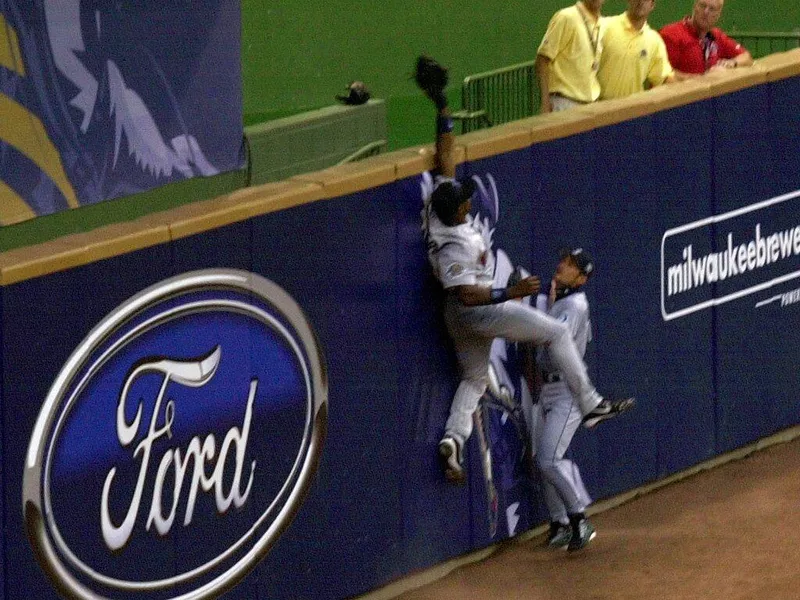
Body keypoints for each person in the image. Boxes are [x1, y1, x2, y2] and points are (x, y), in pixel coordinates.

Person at [413, 55, 635, 489]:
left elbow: (445, 159)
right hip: (475, 310)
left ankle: (453, 440)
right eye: (465, 202)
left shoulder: (440, 209)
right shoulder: (450, 242)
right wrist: (509, 293)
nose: (469, 203)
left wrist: (441, 109)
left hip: (459, 319)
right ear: (456, 210)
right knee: (554, 332)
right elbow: (467, 296)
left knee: (475, 378)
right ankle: (589, 403)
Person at [534, 249, 602, 552]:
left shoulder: (574, 306)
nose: (563, 265)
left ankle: (579, 519)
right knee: (545, 461)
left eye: (572, 265)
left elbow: (550, 342)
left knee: (548, 460)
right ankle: (560, 523)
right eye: (565, 260)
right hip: (549, 390)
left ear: (582, 278)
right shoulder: (563, 303)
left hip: (566, 393)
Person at [535, 0, 606, 113]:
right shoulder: (566, 17)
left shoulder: (601, 24)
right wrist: (545, 103)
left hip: (590, 105)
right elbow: (542, 60)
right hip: (564, 103)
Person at [597, 0, 675, 99]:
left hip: (633, 111)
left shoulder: (655, 41)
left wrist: (695, 83)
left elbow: (663, 78)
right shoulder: (604, 26)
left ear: (652, 5)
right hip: (597, 109)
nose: (640, 2)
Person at [659, 0, 753, 76]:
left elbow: (746, 57)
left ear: (718, 14)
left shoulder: (717, 36)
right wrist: (704, 79)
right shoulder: (671, 34)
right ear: (695, 6)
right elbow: (663, 75)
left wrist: (732, 64)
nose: (706, 12)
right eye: (702, 5)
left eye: (712, 9)